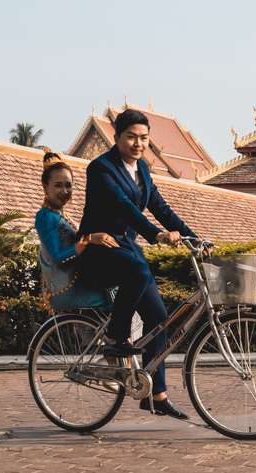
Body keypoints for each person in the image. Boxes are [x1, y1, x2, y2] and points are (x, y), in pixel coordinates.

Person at [77, 108, 199, 420]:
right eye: (131, 136)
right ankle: (116, 338)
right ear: (116, 137)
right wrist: (155, 234)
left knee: (159, 317)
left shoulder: (143, 169)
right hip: (98, 248)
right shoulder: (100, 168)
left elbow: (160, 207)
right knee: (138, 270)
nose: (138, 143)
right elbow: (124, 206)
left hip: (127, 247)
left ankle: (156, 396)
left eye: (143, 138)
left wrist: (194, 238)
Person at [34, 150, 119, 311]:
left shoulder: (59, 214)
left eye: (68, 185)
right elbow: (59, 259)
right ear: (45, 187)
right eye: (58, 185)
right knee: (120, 299)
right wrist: (89, 240)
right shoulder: (45, 216)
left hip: (77, 283)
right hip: (66, 290)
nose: (64, 192)